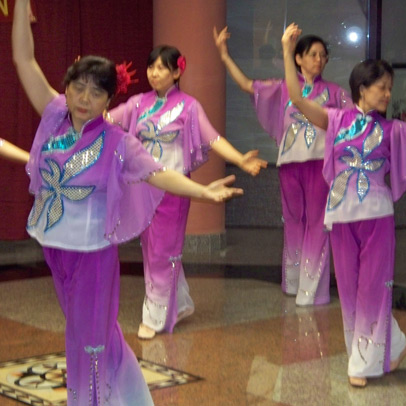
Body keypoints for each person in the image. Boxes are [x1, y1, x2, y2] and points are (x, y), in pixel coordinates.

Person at [12, 1, 243, 405]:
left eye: (97, 91)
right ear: (66, 88)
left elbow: (159, 173)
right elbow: (23, 58)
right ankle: (130, 396)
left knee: (89, 340)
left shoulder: (117, 142)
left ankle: (90, 401)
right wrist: (18, 8)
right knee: (89, 331)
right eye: (78, 87)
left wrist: (203, 191)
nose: (85, 98)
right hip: (55, 247)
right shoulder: (53, 116)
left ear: (108, 100)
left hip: (94, 254)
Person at [282, 22, 406, 387]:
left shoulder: (393, 130)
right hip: (341, 216)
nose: (388, 94)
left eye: (390, 88)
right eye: (382, 87)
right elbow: (295, 99)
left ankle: (362, 364)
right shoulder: (336, 118)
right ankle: (391, 346)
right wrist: (286, 50)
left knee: (373, 287)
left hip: (377, 216)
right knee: (349, 289)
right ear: (362, 88)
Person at [108, 45, 267, 339]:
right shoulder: (137, 103)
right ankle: (178, 302)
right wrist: (86, 85)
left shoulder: (189, 106)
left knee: (163, 250)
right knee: (153, 249)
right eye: (151, 67)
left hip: (175, 188)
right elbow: (105, 119)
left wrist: (239, 158)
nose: (155, 73)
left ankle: (154, 317)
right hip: (144, 187)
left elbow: (213, 137)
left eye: (162, 68)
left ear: (177, 72)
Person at [213, 26, 352, 306]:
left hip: (319, 165)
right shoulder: (283, 88)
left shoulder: (336, 93)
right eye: (312, 54)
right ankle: (293, 282)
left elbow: (352, 122)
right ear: (298, 59)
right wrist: (224, 55)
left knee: (317, 223)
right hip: (289, 164)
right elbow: (246, 85)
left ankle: (312, 289)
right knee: (292, 221)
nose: (319, 60)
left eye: (323, 56)